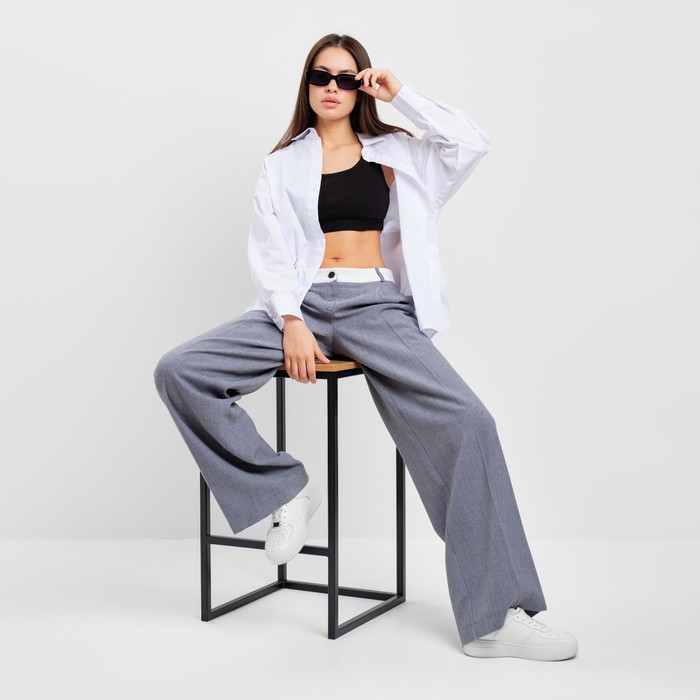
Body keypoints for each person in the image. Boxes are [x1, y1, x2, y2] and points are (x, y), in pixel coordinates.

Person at [153, 32, 578, 662]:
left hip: (374, 305)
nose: (332, 87)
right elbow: (270, 251)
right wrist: (291, 320)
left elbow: (471, 143)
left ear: (362, 87)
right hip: (297, 305)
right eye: (320, 76)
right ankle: (282, 491)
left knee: (471, 423)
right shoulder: (282, 163)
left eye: (346, 78)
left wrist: (402, 94)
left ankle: (494, 617)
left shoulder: (398, 151)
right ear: (307, 84)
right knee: (181, 370)